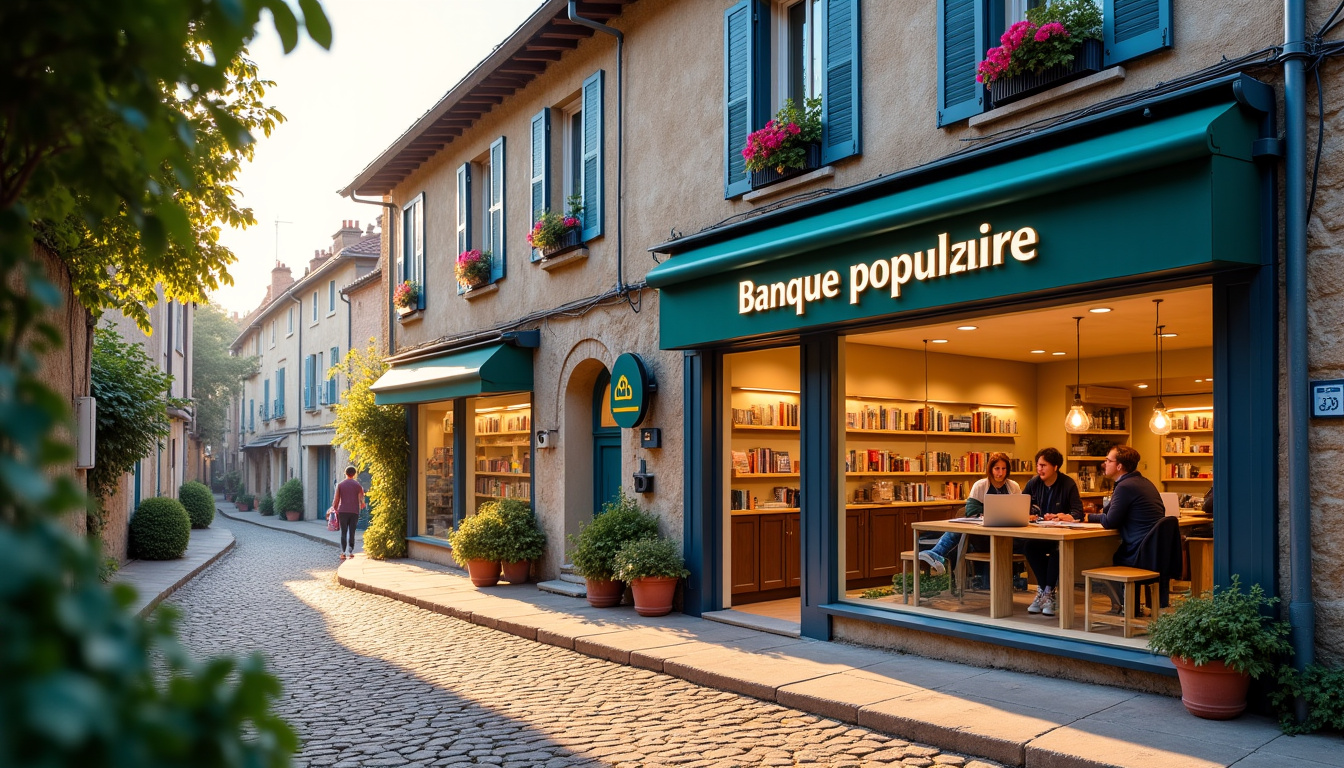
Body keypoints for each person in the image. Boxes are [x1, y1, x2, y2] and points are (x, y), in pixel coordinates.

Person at [918, 452, 1020, 576]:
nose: (1000, 473)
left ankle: (936, 554)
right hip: (983, 535)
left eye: (1004, 469)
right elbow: (971, 510)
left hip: (1008, 536)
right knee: (959, 527)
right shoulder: (980, 485)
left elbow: (1017, 510)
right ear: (990, 469)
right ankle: (935, 553)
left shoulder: (1013, 486)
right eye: (997, 468)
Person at [1021, 447, 1083, 617]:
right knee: (1029, 547)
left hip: (1061, 536)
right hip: (1040, 533)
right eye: (1038, 465)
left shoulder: (1068, 484)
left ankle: (1046, 593)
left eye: (1044, 465)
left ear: (1055, 467)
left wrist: (1064, 516)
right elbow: (1019, 505)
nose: (1039, 469)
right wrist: (1030, 515)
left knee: (1057, 550)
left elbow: (1078, 512)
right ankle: (1045, 590)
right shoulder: (1033, 483)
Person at [1088, 445, 1165, 567]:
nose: (1104, 464)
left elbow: (1109, 522)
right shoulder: (1144, 482)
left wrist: (1087, 517)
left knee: (1100, 562)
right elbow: (1108, 511)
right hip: (1153, 552)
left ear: (1119, 466)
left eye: (1108, 460)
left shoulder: (1125, 486)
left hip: (1137, 553)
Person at [333, 465, 365, 560]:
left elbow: (337, 498)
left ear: (345, 473)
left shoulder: (340, 485)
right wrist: (362, 504)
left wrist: (335, 507)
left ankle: (343, 552)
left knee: (343, 531)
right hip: (354, 511)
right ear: (354, 474)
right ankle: (350, 551)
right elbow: (362, 500)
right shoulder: (358, 486)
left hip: (343, 511)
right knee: (352, 532)